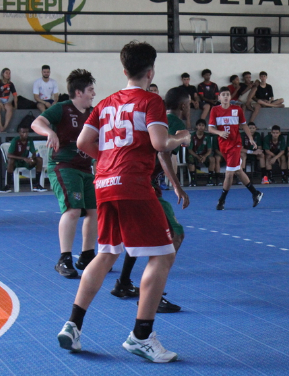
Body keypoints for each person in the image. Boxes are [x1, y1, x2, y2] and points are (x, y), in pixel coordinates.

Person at [57, 41, 190, 362]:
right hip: (133, 184)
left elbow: (83, 141)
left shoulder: (105, 103)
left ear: (124, 69)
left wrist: (107, 160)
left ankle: (73, 324)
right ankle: (141, 335)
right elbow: (160, 143)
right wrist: (181, 138)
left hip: (104, 183)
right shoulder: (150, 101)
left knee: (105, 254)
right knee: (163, 254)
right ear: (151, 72)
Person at [110, 87, 190, 314]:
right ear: (184, 105)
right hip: (144, 187)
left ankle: (123, 283)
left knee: (140, 235)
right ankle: (152, 295)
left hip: (125, 182)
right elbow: (163, 153)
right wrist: (177, 186)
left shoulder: (151, 117)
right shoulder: (173, 122)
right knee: (174, 234)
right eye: (190, 104)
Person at [31, 69, 97, 279]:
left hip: (85, 167)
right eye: (90, 90)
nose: (93, 94)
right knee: (73, 210)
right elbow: (36, 123)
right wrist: (50, 132)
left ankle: (87, 256)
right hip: (64, 165)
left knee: (94, 211)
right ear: (78, 92)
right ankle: (64, 258)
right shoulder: (62, 108)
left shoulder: (93, 113)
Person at [208, 86, 263, 211]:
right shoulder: (215, 110)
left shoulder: (237, 109)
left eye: (228, 94)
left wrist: (250, 138)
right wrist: (219, 133)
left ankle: (221, 200)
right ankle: (255, 193)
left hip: (235, 145)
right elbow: (210, 128)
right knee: (238, 171)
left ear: (230, 97)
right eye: (223, 95)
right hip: (223, 145)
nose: (226, 97)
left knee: (229, 173)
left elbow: (244, 125)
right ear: (219, 97)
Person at [0, 125, 47, 193]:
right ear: (19, 133)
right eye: (23, 132)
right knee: (10, 161)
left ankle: (36, 185)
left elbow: (33, 152)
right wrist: (23, 158)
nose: (25, 134)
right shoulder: (15, 140)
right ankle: (7, 186)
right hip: (16, 161)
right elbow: (9, 155)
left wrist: (32, 158)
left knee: (39, 159)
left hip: (25, 161)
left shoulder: (29, 140)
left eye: (27, 132)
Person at [187, 119, 215, 186]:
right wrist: (197, 156)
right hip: (195, 155)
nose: (201, 127)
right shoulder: (192, 136)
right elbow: (190, 150)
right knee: (190, 159)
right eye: (199, 125)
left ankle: (210, 179)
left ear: (205, 127)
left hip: (204, 156)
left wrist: (204, 156)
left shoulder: (207, 136)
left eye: (203, 125)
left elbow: (209, 150)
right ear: (196, 126)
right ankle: (193, 180)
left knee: (212, 159)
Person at [0, 68, 18, 133]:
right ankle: (0, 126)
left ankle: (5, 127)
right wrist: (0, 104)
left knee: (9, 108)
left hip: (5, 100)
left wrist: (15, 105)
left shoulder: (11, 84)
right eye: (6, 73)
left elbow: (15, 95)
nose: (8, 75)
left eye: (9, 73)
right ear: (2, 74)